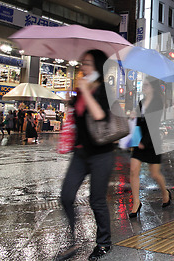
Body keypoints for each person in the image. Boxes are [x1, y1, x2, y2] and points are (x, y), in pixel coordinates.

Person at [58, 50, 114, 261]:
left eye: (88, 63)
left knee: (97, 200)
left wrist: (86, 91)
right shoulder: (82, 90)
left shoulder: (104, 90)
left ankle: (104, 243)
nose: (84, 67)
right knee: (66, 196)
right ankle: (73, 239)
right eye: (82, 63)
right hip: (81, 153)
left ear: (98, 67)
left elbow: (100, 115)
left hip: (102, 153)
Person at [129, 76, 171, 218]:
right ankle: (136, 202)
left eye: (146, 85)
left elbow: (154, 124)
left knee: (155, 174)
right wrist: (133, 116)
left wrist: (144, 142)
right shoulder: (141, 103)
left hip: (152, 142)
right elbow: (139, 123)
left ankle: (165, 193)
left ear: (152, 87)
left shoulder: (158, 103)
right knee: (133, 170)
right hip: (139, 140)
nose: (143, 87)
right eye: (143, 85)